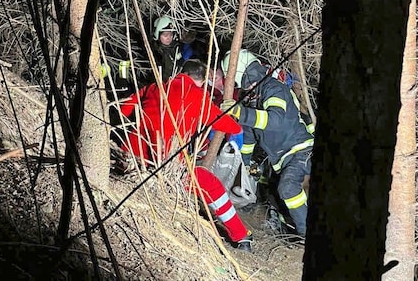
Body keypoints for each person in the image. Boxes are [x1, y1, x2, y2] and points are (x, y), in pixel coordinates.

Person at [117, 59, 253, 251]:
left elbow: (124, 109)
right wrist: (227, 112)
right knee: (210, 184)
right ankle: (241, 237)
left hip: (129, 157)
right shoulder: (197, 96)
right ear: (202, 80)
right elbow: (233, 127)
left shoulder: (155, 86)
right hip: (164, 165)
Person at [220, 49, 314, 237]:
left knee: (287, 188)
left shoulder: (273, 88)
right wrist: (244, 167)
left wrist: (240, 113)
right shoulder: (250, 102)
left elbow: (275, 121)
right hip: (281, 160)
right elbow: (248, 139)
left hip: (301, 150)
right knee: (274, 195)